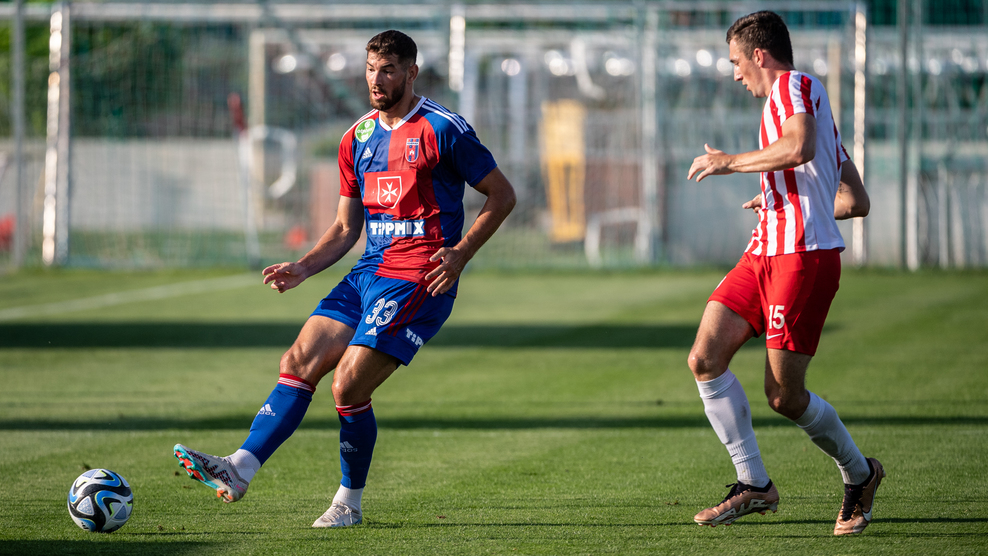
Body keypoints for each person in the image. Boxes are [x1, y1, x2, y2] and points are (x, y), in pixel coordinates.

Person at [173, 29, 515, 528]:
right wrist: (303, 266)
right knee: (298, 360)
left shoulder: (444, 129)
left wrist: (460, 254)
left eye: (389, 70)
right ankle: (239, 468)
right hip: (368, 272)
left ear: (411, 73)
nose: (377, 80)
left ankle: (347, 504)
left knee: (348, 386)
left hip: (420, 277)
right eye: (371, 69)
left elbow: (502, 194)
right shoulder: (356, 138)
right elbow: (344, 228)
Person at [685, 11, 881, 536]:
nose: (734, 74)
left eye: (735, 62)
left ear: (759, 55)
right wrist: (783, 201)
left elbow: (799, 148)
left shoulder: (795, 86)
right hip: (764, 251)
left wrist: (730, 162)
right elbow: (855, 201)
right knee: (704, 358)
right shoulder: (800, 105)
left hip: (802, 257)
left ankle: (860, 474)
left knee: (784, 397)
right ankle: (754, 484)